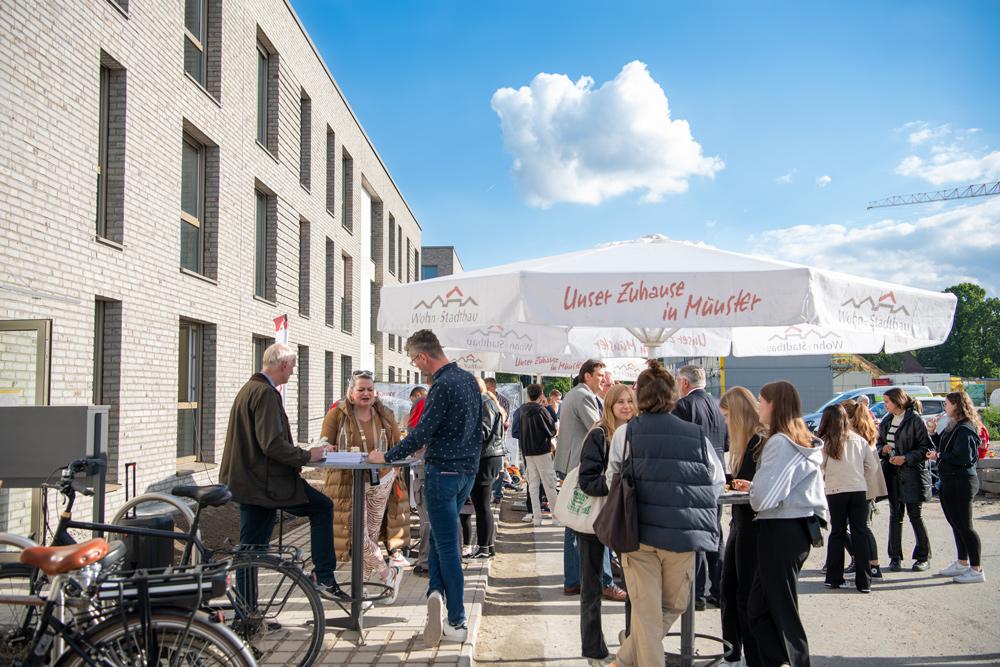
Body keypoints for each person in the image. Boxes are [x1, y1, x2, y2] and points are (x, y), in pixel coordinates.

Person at [606, 360, 724, 667]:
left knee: (647, 617)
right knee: (674, 604)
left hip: (638, 535)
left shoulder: (625, 434)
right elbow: (717, 481)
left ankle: (627, 655)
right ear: (672, 395)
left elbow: (611, 480)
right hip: (681, 535)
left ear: (639, 397)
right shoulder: (696, 435)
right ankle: (630, 653)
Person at [367, 330, 482, 646]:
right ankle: (435, 594)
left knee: (446, 549)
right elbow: (476, 430)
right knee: (444, 542)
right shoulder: (470, 381)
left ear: (422, 357)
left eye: (414, 361)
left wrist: (386, 457)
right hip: (466, 473)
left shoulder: (441, 386)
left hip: (441, 474)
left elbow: (420, 433)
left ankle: (457, 621)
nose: (416, 367)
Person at [219, 343, 345, 599]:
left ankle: (249, 614)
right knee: (320, 507)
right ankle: (324, 578)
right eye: (293, 367)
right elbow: (272, 444)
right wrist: (307, 455)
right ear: (284, 365)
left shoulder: (250, 388)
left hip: (251, 482)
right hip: (262, 484)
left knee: (252, 549)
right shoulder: (265, 393)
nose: (292, 373)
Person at [736, 380, 828, 667]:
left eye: (761, 401)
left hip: (781, 530)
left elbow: (763, 498)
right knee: (762, 607)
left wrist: (754, 490)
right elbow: (779, 488)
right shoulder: (797, 439)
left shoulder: (779, 442)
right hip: (794, 528)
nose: (758, 407)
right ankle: (780, 661)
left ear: (773, 404)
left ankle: (790, 661)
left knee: (778, 609)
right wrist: (757, 487)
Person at [320, 371, 406, 604]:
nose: (366, 393)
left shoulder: (385, 414)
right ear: (351, 392)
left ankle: (364, 591)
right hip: (350, 481)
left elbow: (398, 447)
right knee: (358, 535)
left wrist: (394, 470)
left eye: (370, 389)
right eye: (361, 389)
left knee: (369, 535)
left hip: (381, 481)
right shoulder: (337, 414)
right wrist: (329, 446)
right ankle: (388, 573)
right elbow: (323, 443)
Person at [555, 360, 625, 602]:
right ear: (587, 376)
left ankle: (573, 580)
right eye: (600, 376)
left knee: (575, 522)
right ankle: (603, 581)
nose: (604, 380)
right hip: (583, 467)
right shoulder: (584, 396)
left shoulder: (576, 393)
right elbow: (602, 427)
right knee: (595, 520)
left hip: (575, 464)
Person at [577, 384, 635, 667]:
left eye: (630, 401)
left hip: (626, 519)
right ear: (609, 405)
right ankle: (593, 649)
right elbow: (586, 481)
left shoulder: (637, 434)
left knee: (634, 587)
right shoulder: (598, 435)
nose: (626, 406)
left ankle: (632, 644)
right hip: (595, 519)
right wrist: (617, 483)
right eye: (620, 402)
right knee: (591, 586)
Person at [673, 365, 728, 610]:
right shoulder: (718, 406)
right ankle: (718, 588)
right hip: (717, 477)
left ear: (684, 383)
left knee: (697, 537)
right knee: (716, 534)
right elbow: (725, 443)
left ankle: (698, 593)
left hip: (694, 478)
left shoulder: (683, 406)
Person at [718, 387, 766, 667]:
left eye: (726, 416)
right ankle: (732, 652)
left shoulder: (759, 442)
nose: (725, 423)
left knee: (744, 592)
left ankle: (745, 654)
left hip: (753, 524)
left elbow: (758, 485)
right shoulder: (746, 442)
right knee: (729, 588)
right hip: (740, 521)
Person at [817, 404, 877, 593]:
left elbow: (819, 468)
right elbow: (872, 467)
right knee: (860, 533)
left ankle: (833, 578)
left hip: (835, 491)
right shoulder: (859, 440)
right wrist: (860, 477)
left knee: (837, 533)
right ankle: (864, 581)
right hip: (858, 489)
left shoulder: (826, 442)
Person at [928, 391, 986, 583]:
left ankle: (976, 569)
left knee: (965, 526)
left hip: (962, 482)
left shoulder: (966, 428)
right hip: (949, 481)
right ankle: (962, 562)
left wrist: (939, 457)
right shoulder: (953, 426)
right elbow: (945, 448)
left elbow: (963, 458)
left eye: (947, 404)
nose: (944, 407)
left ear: (957, 405)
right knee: (956, 524)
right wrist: (933, 433)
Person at [877, 387, 933, 572]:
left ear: (897, 401)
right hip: (892, 473)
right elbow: (879, 443)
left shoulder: (915, 419)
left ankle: (923, 557)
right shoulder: (886, 421)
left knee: (915, 516)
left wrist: (906, 458)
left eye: (887, 402)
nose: (885, 405)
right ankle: (894, 557)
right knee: (895, 516)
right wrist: (883, 449)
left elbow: (926, 448)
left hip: (912, 474)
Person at [841, 399, 887, 580]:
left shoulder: (852, 432)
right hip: (866, 484)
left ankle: (871, 566)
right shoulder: (865, 427)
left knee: (857, 527)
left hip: (858, 484)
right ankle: (868, 563)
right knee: (859, 527)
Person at [469, 377, 506, 558]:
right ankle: (487, 546)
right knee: (482, 504)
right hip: (490, 456)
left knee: (482, 504)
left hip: (486, 457)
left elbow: (483, 432)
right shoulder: (487, 402)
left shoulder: (484, 403)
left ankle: (484, 547)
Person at [519, 384, 560, 528]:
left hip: (528, 452)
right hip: (542, 451)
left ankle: (537, 517)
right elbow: (551, 430)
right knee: (549, 484)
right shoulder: (541, 411)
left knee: (533, 485)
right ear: (541, 394)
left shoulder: (522, 410)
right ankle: (555, 516)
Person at [409, 386, 432, 576]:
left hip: (424, 464)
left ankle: (425, 560)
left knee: (426, 516)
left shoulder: (422, 403)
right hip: (447, 469)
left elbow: (414, 436)